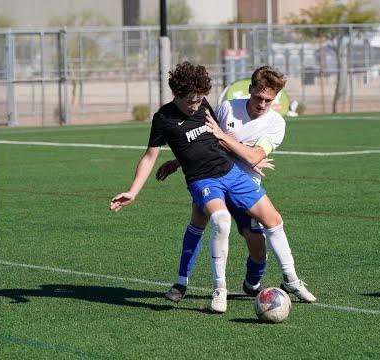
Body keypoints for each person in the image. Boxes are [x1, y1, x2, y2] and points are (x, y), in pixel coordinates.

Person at [110, 62, 314, 314]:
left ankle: (290, 280)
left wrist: (253, 158)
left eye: (199, 100)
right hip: (203, 180)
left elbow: (212, 141)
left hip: (233, 173)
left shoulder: (209, 107)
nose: (196, 106)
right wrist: (134, 190)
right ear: (177, 93)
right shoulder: (165, 118)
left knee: (273, 221)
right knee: (220, 220)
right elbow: (151, 156)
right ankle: (218, 289)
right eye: (190, 101)